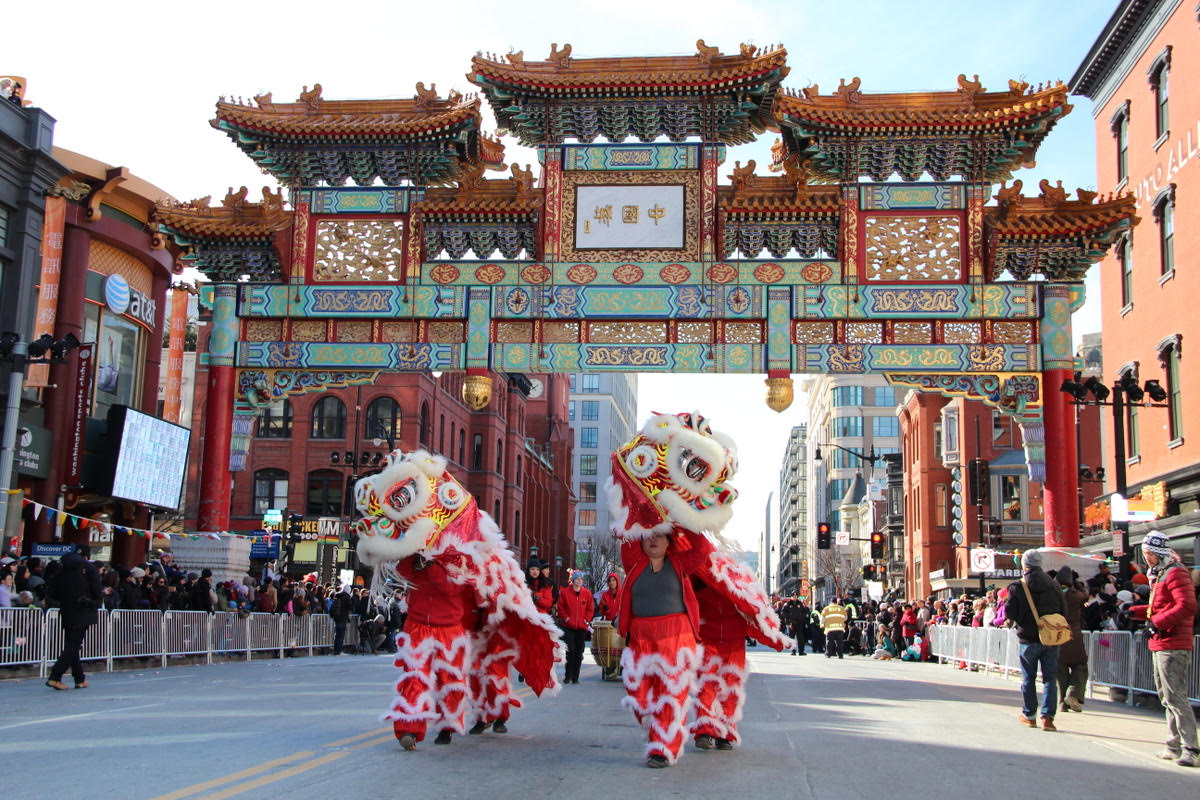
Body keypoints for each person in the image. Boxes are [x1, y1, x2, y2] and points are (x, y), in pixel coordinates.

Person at [1131, 533, 1198, 767]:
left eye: (1147, 553)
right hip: (1164, 640)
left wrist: (1157, 624)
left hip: (1173, 641)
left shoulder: (1175, 572)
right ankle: (1173, 744)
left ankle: (1192, 748)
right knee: (1166, 696)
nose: (1146, 558)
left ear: (1155, 553)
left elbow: (1187, 604)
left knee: (1175, 695)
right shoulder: (1162, 574)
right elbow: (1161, 607)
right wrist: (1135, 612)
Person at [1004, 549, 1065, 731]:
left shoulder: (1018, 586)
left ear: (1025, 565)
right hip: (1050, 636)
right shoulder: (1054, 585)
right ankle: (1048, 717)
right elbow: (1063, 609)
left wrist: (1018, 620)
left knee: (1028, 678)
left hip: (1028, 637)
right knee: (1050, 678)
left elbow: (1009, 611)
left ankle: (1029, 714)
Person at [45, 546, 102, 690]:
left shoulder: (61, 569)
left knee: (72, 644)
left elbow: (53, 591)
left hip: (66, 609)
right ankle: (55, 676)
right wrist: (96, 600)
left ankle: (79, 678)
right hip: (83, 608)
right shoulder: (88, 569)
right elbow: (96, 590)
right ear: (87, 556)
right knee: (74, 645)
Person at [1055, 568, 1088, 714]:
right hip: (1074, 633)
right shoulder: (1076, 595)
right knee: (1080, 665)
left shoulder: (1053, 593)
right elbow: (1085, 596)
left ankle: (1062, 701)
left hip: (1057, 633)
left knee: (1060, 668)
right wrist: (1077, 586)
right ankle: (1073, 694)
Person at [556, 570, 594, 684]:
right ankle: (568, 675)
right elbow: (560, 607)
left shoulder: (587, 594)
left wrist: (586, 619)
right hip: (569, 626)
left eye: (581, 579)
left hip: (581, 627)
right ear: (573, 581)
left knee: (579, 652)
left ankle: (575, 676)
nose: (579, 581)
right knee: (570, 651)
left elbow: (590, 609)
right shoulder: (565, 593)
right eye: (577, 579)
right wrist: (566, 618)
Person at [329, 583, 353, 655]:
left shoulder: (337, 596)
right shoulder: (346, 597)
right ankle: (338, 650)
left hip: (337, 617)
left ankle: (336, 650)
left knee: (337, 635)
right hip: (343, 617)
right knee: (341, 635)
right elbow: (350, 607)